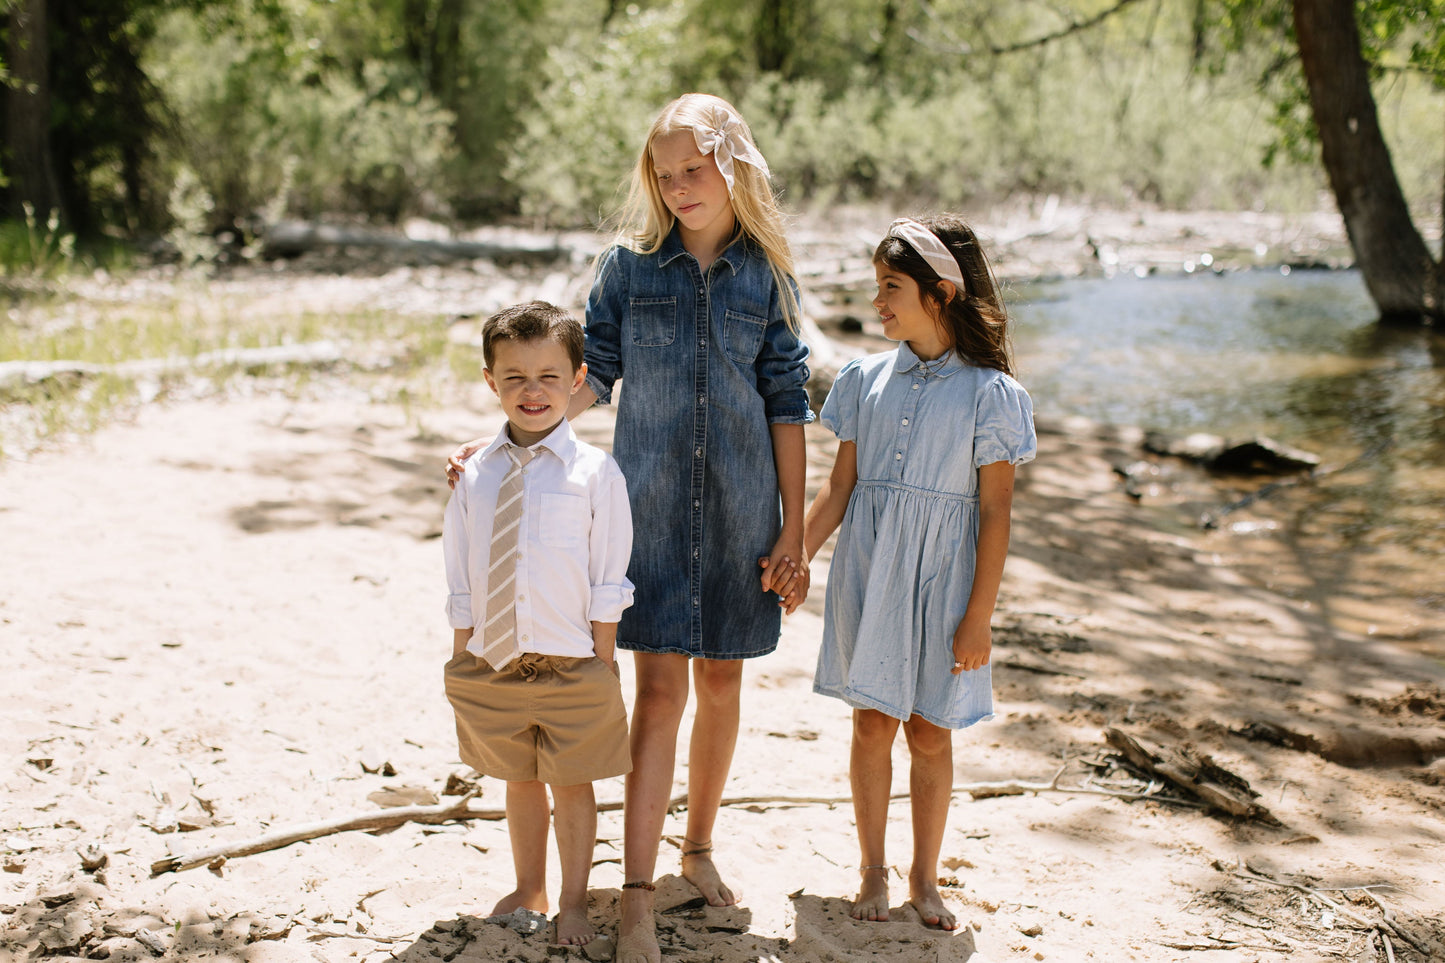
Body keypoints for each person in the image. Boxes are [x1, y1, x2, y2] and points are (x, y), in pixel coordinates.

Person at [447, 93, 812, 963]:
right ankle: (637, 891)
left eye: (695, 168)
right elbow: (586, 376)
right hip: (642, 511)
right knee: (657, 691)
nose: (679, 186)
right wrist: (500, 442)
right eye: (665, 171)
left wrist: (794, 529)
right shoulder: (625, 269)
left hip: (738, 511)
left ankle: (699, 849)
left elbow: (787, 404)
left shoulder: (767, 276)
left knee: (723, 685)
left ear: (732, 164)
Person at [800, 214, 1036, 931]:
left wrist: (978, 616)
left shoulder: (990, 393)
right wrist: (795, 555)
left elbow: (994, 512)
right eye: (876, 286)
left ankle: (923, 876)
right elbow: (838, 488)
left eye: (890, 287)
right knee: (872, 722)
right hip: (870, 571)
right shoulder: (862, 379)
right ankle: (871, 866)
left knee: (930, 730)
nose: (877, 301)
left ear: (940, 293)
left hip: (945, 583)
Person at [442, 300, 635, 947]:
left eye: (549, 376)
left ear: (578, 379)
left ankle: (574, 901)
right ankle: (531, 885)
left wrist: (601, 660)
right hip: (492, 659)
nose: (533, 390)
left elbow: (609, 576)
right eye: (515, 376)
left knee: (571, 783)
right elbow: (461, 571)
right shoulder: (474, 473)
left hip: (572, 657)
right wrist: (461, 654)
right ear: (491, 381)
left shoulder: (595, 474)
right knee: (518, 779)